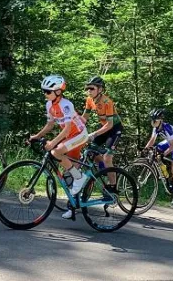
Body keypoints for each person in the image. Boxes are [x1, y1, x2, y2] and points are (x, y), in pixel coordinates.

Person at [28, 75, 89, 219]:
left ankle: (80, 177)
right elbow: (50, 125)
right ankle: (73, 206)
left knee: (56, 152)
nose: (45, 94)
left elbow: (66, 130)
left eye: (47, 92)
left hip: (79, 135)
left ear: (58, 91)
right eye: (44, 91)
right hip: (70, 138)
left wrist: (52, 143)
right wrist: (36, 136)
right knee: (68, 174)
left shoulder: (66, 105)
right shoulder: (49, 105)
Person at [81, 76, 123, 190]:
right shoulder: (89, 100)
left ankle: (113, 187)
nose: (89, 91)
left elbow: (110, 124)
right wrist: (75, 129)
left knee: (107, 157)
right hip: (105, 128)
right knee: (91, 150)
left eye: (92, 88)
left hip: (115, 129)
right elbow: (84, 118)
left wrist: (93, 134)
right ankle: (103, 167)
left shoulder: (107, 102)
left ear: (100, 89)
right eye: (87, 88)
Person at [144, 108, 173, 206]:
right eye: (152, 120)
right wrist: (144, 149)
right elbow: (152, 140)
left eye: (155, 120)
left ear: (160, 120)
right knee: (156, 149)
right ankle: (164, 170)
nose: (153, 122)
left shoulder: (167, 129)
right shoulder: (156, 128)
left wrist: (163, 154)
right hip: (169, 141)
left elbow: (172, 146)